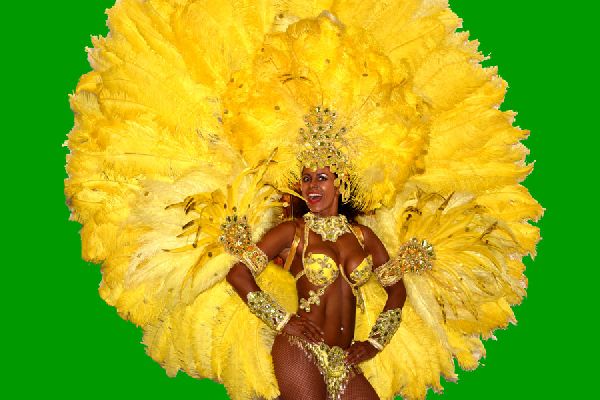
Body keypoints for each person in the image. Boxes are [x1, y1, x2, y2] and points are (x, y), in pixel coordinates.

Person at [226, 166, 407, 399]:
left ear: (340, 184)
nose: (312, 185)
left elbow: (397, 290)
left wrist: (374, 343)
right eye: (306, 178)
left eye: (322, 178)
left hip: (343, 359)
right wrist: (282, 321)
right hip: (300, 347)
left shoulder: (364, 237)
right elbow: (238, 274)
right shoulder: (292, 232)